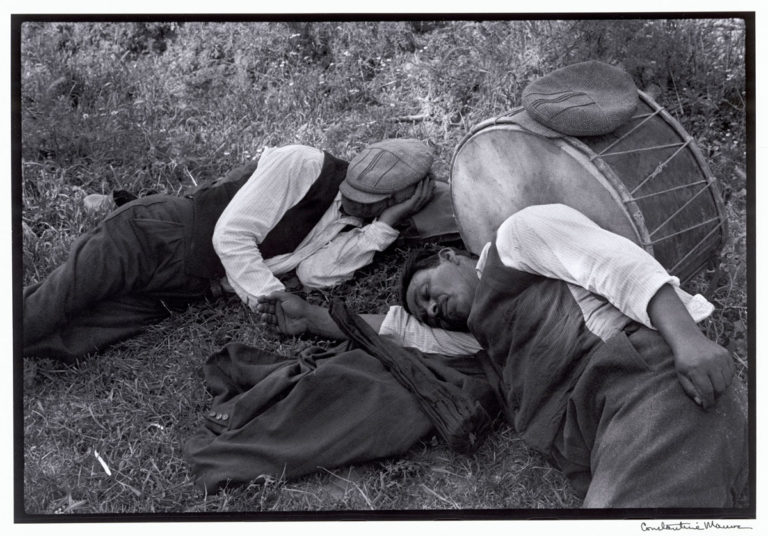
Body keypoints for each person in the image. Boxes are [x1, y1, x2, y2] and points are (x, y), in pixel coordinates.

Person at [256, 203, 747, 508]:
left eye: (427, 290)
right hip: (613, 435)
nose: (431, 310)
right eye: (426, 312)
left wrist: (689, 342)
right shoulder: (482, 334)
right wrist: (312, 318)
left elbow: (612, 264)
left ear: (451, 257)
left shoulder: (517, 239)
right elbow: (401, 333)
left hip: (656, 394)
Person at [23, 139, 442, 361]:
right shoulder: (303, 163)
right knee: (44, 308)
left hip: (190, 288)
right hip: (152, 237)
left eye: (375, 203)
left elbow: (316, 274)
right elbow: (230, 236)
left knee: (76, 338)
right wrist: (271, 299)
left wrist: (382, 228)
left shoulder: (360, 224)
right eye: (357, 194)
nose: (357, 205)